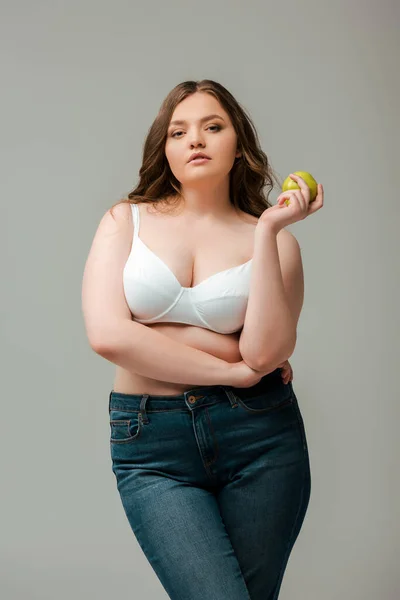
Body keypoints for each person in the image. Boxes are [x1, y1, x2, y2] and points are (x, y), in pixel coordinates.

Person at [81, 79, 323, 599]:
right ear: (163, 148)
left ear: (238, 145)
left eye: (213, 127)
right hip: (152, 443)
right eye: (179, 130)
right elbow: (107, 335)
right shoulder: (126, 221)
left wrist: (269, 231)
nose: (195, 140)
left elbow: (264, 352)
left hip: (261, 438)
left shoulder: (276, 243)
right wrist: (233, 369)